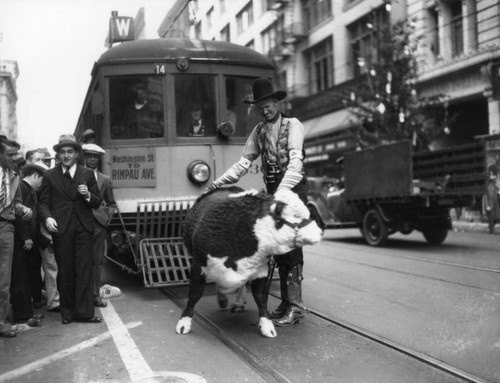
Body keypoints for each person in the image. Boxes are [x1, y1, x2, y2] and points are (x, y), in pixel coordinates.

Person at [202, 77, 308, 327]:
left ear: (277, 102)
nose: (265, 110)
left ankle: (296, 307)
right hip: (275, 194)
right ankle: (286, 303)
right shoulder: (259, 131)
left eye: (268, 105)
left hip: (292, 192)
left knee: (291, 248)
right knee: (279, 248)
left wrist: (280, 193)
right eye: (260, 107)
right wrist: (217, 183)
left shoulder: (293, 125)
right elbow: (242, 164)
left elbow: (296, 163)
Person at [38, 134, 102, 324]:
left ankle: (84, 313)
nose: (66, 156)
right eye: (62, 152)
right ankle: (67, 313)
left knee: (83, 270)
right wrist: (48, 218)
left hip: (83, 227)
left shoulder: (87, 174)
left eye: (69, 152)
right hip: (62, 228)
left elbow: (97, 202)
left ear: (76, 154)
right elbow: (43, 203)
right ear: (58, 155)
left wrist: (88, 195)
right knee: (65, 271)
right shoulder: (50, 175)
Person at [0, 138, 33, 338]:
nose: (14, 158)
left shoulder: (13, 176)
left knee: (3, 279)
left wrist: (24, 209)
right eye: (10, 154)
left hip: (6, 228)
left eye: (15, 155)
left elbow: (17, 203)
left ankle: (1, 322)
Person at [11, 162, 48, 326]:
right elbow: (19, 215)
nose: (42, 184)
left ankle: (27, 313)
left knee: (25, 276)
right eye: (42, 180)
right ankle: (23, 315)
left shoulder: (26, 188)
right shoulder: (23, 188)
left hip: (27, 239)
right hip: (22, 240)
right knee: (21, 277)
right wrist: (26, 237)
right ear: (36, 176)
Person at [82, 143, 117, 308]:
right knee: (80, 260)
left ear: (99, 159)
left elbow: (111, 203)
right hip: (80, 224)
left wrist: (106, 217)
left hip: (98, 226)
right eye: (89, 155)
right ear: (84, 157)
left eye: (95, 156)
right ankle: (80, 296)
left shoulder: (105, 179)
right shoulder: (78, 176)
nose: (91, 159)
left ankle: (95, 295)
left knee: (96, 261)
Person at [483, 164, 500, 234]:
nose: (494, 177)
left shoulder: (495, 184)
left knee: (497, 217)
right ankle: (491, 230)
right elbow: (485, 195)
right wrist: (487, 205)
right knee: (491, 218)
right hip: (489, 202)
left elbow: (497, 189)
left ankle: (491, 226)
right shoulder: (487, 184)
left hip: (495, 203)